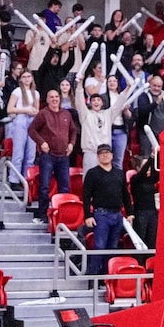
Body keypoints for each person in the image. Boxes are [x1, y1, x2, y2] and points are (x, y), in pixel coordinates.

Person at [80, 144, 133, 276]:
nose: (105, 155)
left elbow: (125, 195)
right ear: (98, 156)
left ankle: (106, 277)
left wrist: (130, 213)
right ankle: (93, 277)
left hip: (117, 214)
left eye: (107, 152)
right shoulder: (92, 173)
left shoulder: (119, 173)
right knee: (99, 247)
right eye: (102, 153)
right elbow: (86, 196)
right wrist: (88, 215)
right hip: (101, 214)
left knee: (112, 248)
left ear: (112, 155)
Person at [28, 89, 77, 223]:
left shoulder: (66, 113)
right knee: (44, 187)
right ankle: (42, 215)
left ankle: (62, 217)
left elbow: (73, 131)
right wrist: (41, 142)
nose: (54, 99)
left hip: (64, 156)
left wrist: (72, 144)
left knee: (64, 187)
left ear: (60, 98)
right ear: (48, 99)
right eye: (51, 97)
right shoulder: (43, 114)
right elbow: (31, 130)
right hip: (48, 156)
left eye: (56, 96)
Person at [129, 154, 159, 250]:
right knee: (140, 240)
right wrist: (151, 158)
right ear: (138, 167)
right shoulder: (135, 179)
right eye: (146, 166)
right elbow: (142, 173)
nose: (148, 168)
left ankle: (149, 261)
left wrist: (156, 158)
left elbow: (156, 172)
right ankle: (139, 261)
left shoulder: (151, 179)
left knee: (152, 239)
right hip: (140, 213)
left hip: (152, 213)